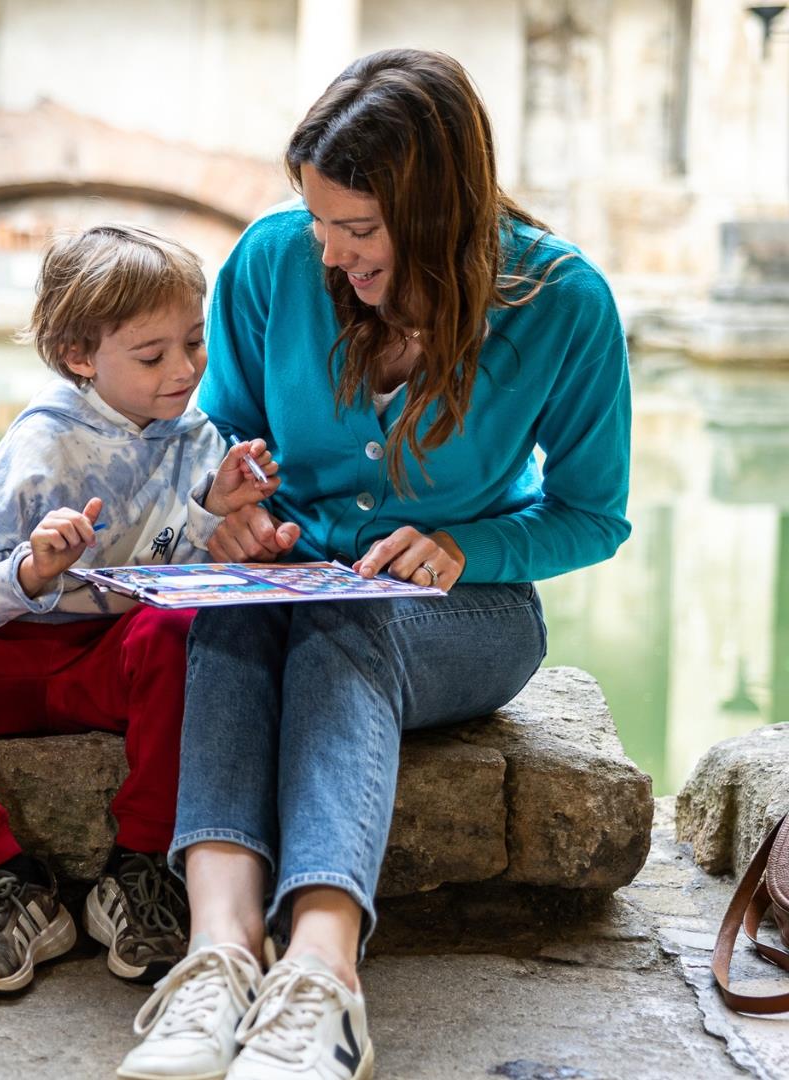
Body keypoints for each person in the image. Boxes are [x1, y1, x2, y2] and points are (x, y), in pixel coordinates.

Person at [118, 49, 632, 1080]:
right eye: (320, 223)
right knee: (239, 611)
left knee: (344, 625)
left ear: (440, 211)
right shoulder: (272, 262)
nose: (331, 255)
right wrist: (233, 503)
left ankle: (323, 973)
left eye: (359, 232)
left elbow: (594, 516)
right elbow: (221, 431)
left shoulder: (564, 302)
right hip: (293, 582)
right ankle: (220, 952)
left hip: (472, 614)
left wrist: (466, 546)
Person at [0, 224, 277, 997]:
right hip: (15, 647)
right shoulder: (41, 443)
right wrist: (33, 568)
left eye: (194, 343)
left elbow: (172, 585)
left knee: (185, 628)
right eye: (153, 354)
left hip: (114, 653)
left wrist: (218, 513)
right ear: (81, 357)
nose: (185, 369)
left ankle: (137, 871)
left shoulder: (200, 438)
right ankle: (4, 877)